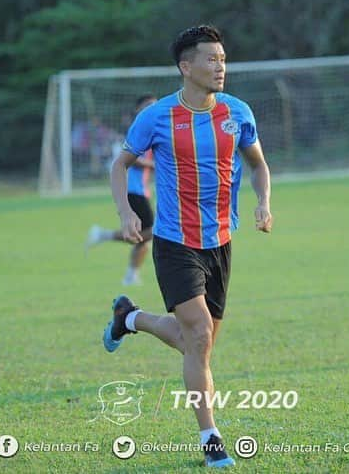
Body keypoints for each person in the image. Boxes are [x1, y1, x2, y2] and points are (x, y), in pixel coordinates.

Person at [102, 25, 273, 468]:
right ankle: (211, 437)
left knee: (196, 342)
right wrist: (125, 212)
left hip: (221, 241)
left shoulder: (237, 112)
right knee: (197, 334)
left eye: (223, 59)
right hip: (175, 242)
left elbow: (257, 165)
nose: (221, 67)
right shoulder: (157, 116)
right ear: (186, 66)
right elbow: (120, 166)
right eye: (211, 59)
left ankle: (130, 317)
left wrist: (263, 202)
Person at [86, 95, 158, 285]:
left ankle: (131, 276)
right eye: (148, 105)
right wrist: (154, 166)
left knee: (145, 238)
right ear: (138, 110)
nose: (153, 108)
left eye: (155, 105)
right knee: (153, 231)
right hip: (132, 188)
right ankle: (103, 235)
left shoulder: (153, 128)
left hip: (142, 189)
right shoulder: (137, 129)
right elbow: (128, 158)